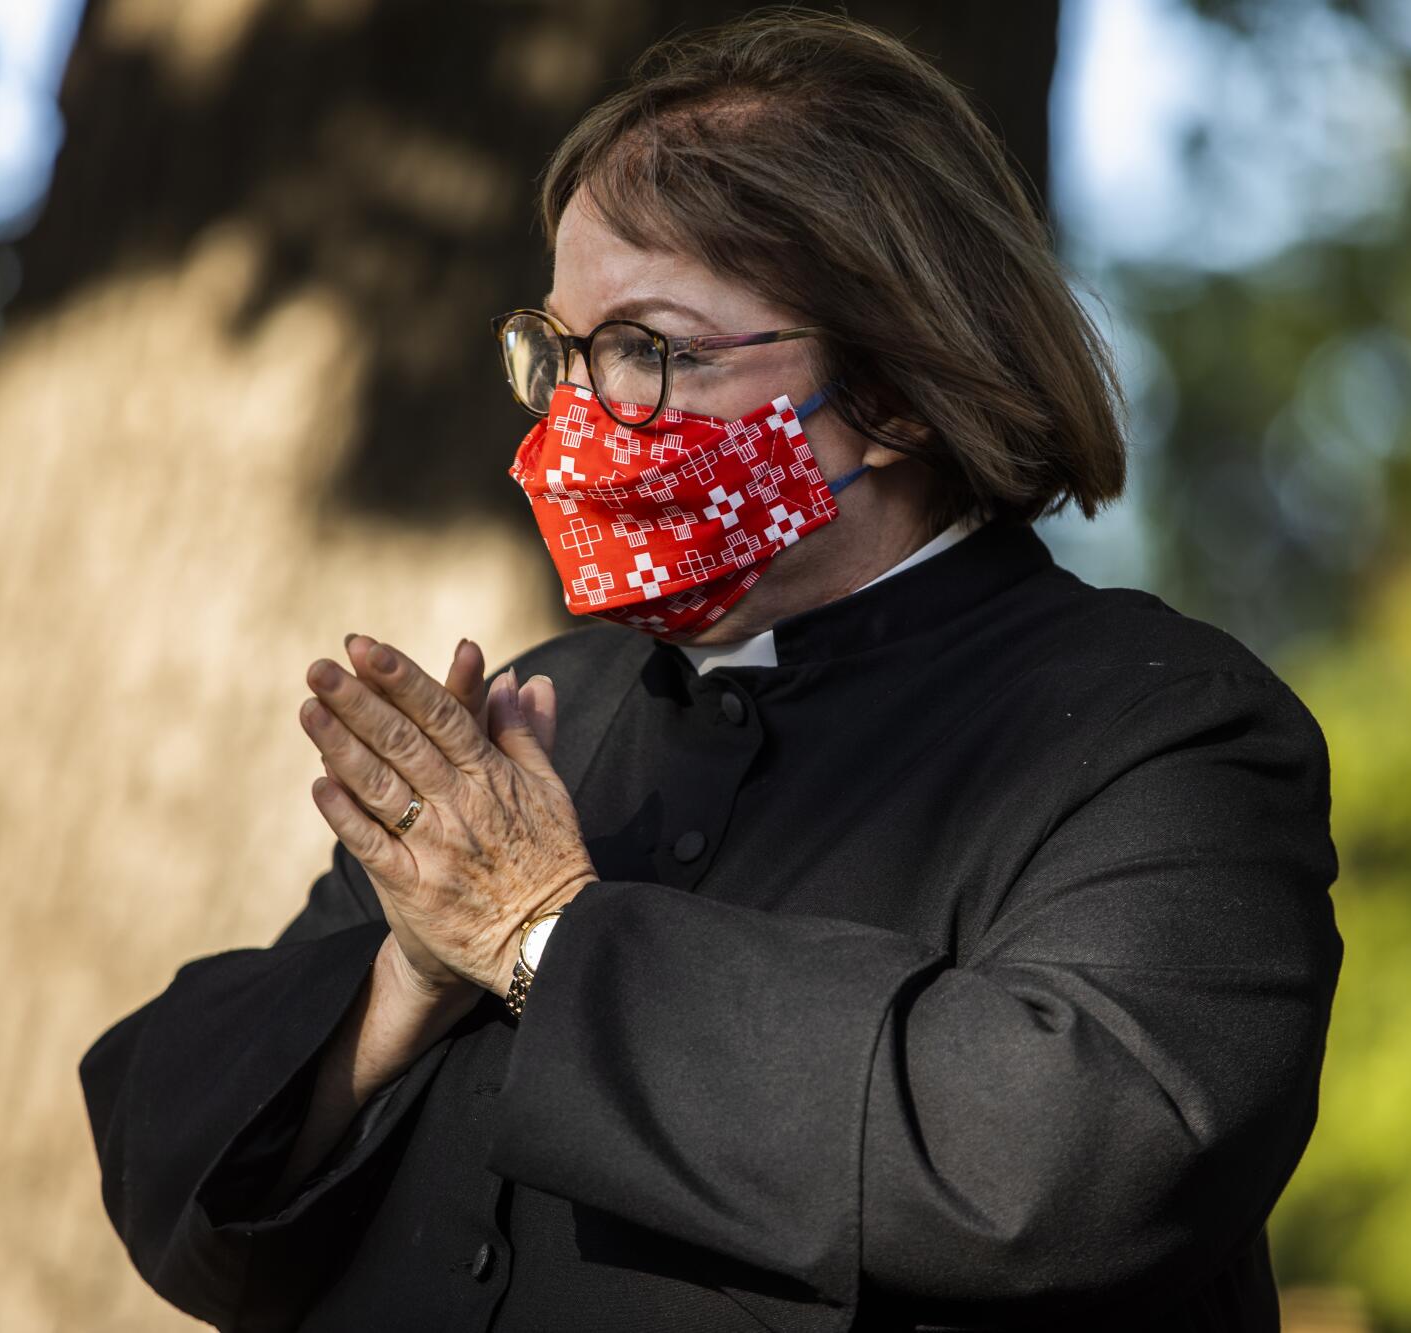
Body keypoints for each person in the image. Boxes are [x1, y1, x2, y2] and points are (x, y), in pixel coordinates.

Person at [77, 10, 1342, 1332]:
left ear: (901, 383)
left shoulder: (1165, 732)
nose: (574, 421)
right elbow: (174, 1155)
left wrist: (546, 936)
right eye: (559, 352)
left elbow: (1078, 1164)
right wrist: (407, 977)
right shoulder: (544, 718)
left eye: (645, 349)